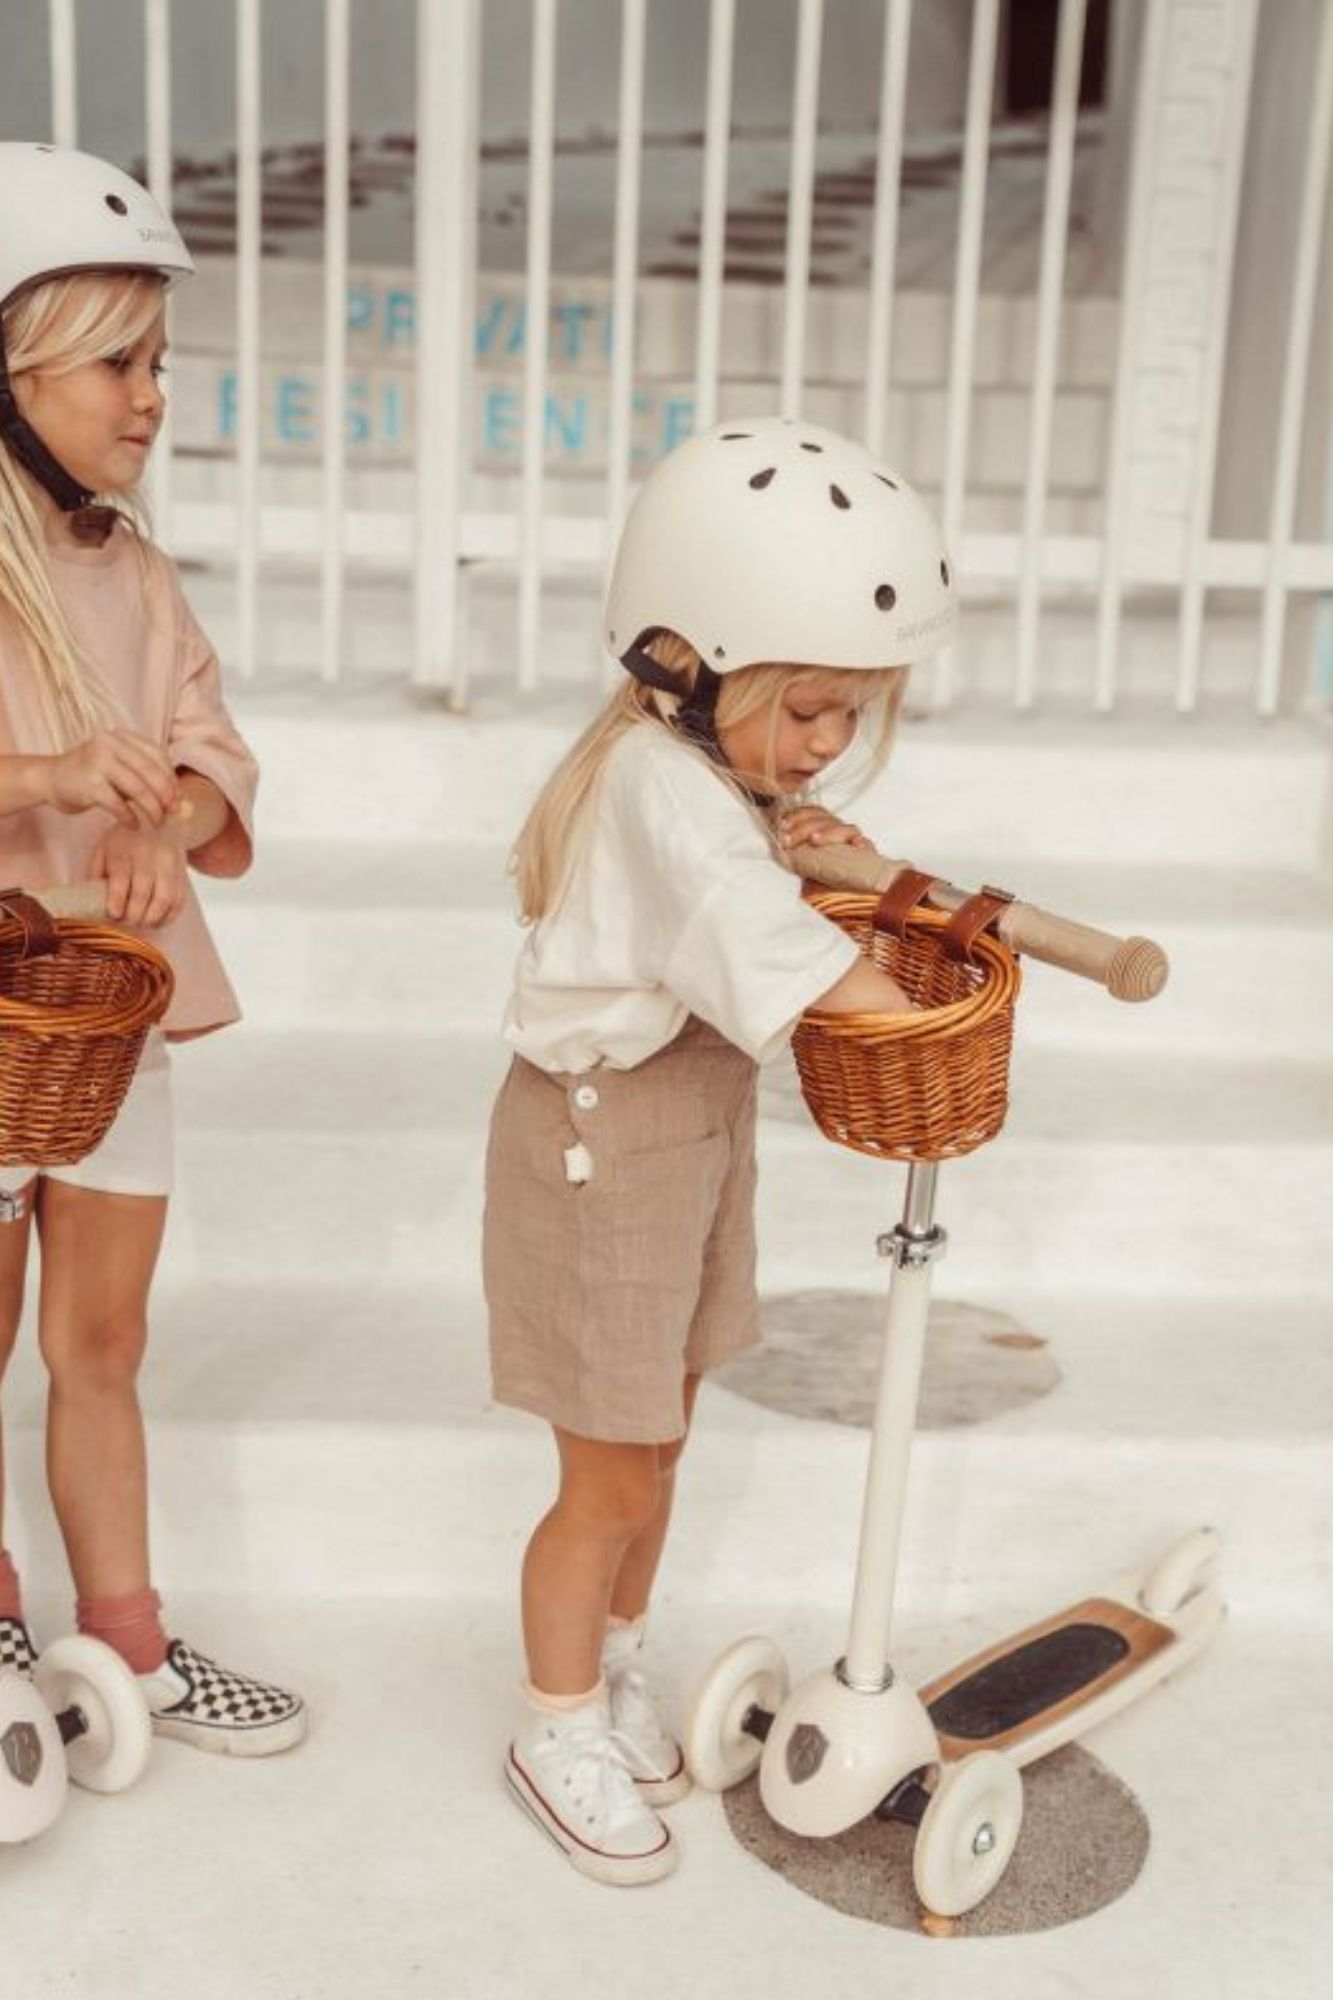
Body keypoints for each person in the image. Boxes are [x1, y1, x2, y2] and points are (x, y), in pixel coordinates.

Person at [485, 414, 955, 1882]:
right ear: (693, 664)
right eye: (809, 710)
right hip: (597, 1148)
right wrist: (911, 1016)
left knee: (663, 1436)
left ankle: (612, 1660)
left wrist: (786, 817)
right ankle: (552, 1718)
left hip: (680, 1133)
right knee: (608, 1472)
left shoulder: (703, 780)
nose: (827, 745)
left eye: (845, 718)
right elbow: (778, 953)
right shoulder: (661, 794)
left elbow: (753, 878)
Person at [0, 143, 303, 1755]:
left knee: (102, 1341)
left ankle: (132, 1643)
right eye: (118, 362)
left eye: (156, 363)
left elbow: (215, 752)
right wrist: (47, 779)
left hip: (105, 1019)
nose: (150, 397)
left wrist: (165, 822)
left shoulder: (137, 569)